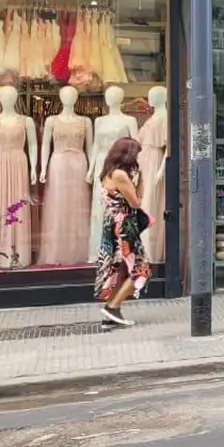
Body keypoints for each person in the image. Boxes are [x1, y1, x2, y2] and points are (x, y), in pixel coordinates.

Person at [94, 136, 153, 328]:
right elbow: (136, 202)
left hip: (114, 224)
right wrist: (141, 181)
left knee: (121, 269)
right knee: (141, 269)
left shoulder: (108, 172)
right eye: (136, 154)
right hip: (124, 227)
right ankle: (112, 308)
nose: (138, 158)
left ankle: (110, 315)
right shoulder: (120, 175)